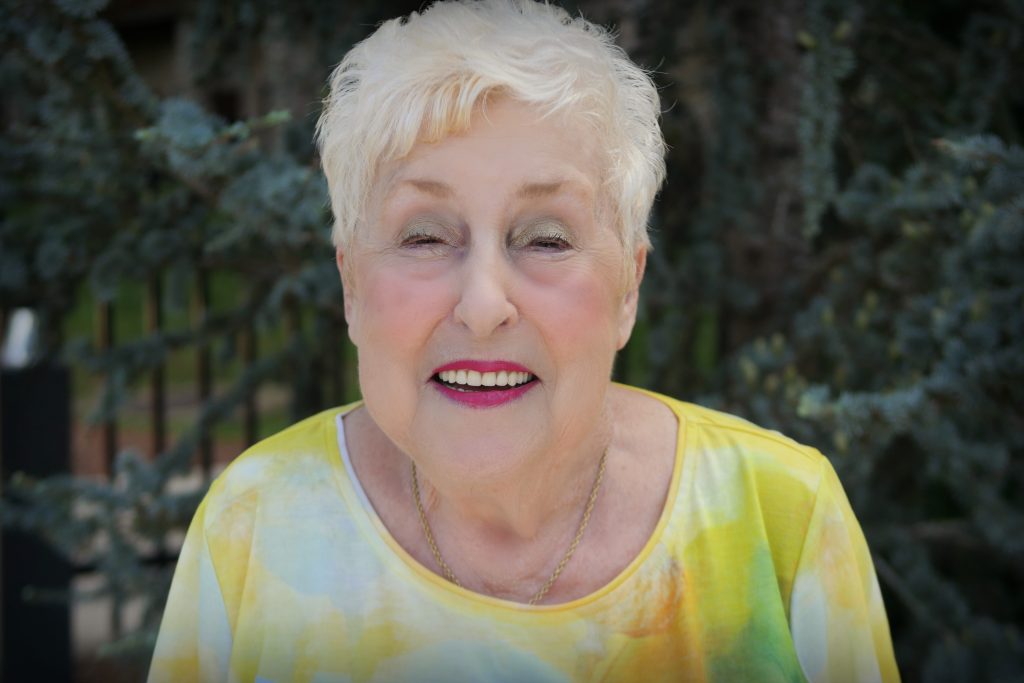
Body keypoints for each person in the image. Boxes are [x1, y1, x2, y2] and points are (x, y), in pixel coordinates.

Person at [148, 1, 900, 681]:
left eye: (544, 238)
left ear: (628, 287)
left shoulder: (783, 520)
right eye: (424, 235)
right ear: (350, 287)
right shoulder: (254, 526)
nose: (482, 305)